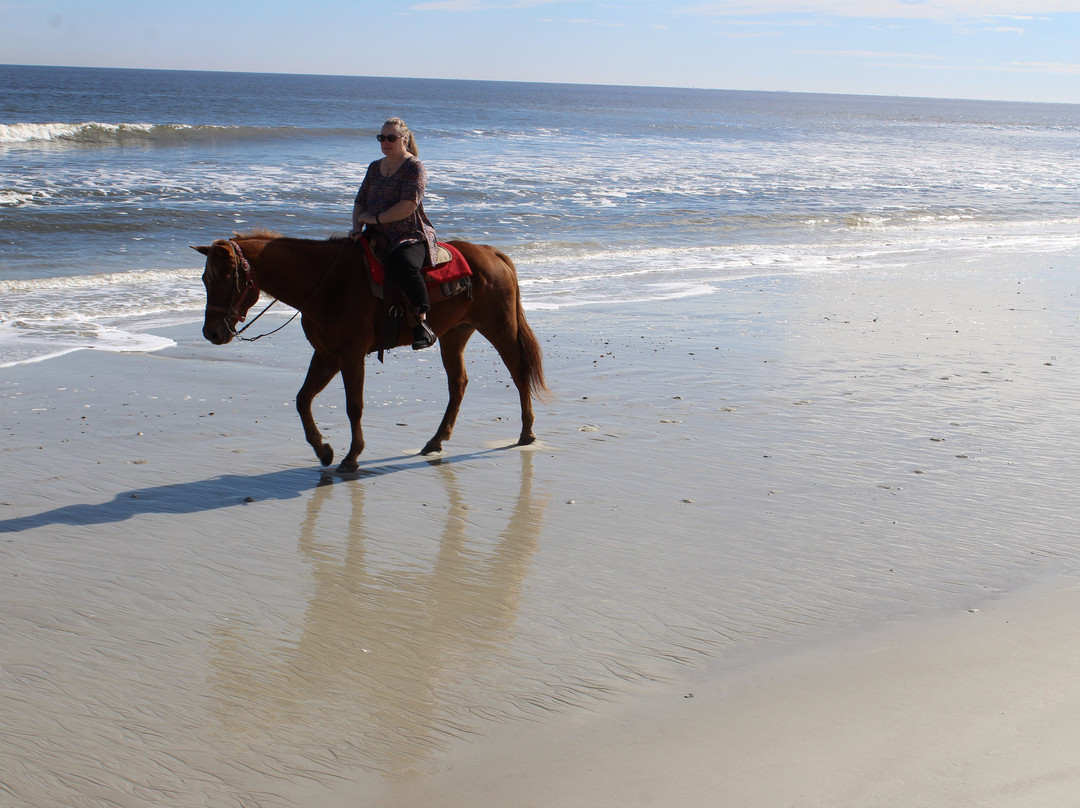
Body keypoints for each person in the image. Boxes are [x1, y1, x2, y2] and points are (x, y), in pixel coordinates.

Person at [349, 117, 438, 350]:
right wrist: (357, 228)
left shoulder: (414, 167)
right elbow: (360, 201)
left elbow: (408, 206)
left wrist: (375, 219)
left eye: (391, 138)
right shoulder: (374, 167)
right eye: (381, 138)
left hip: (408, 233)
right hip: (375, 232)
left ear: (404, 140)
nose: (385, 142)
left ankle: (422, 323)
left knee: (405, 265)